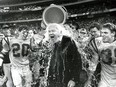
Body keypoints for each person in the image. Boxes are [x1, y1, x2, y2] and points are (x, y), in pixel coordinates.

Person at [84, 23, 116, 87]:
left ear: (113, 33)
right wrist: (89, 80)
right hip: (105, 79)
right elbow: (93, 63)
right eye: (102, 32)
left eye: (105, 33)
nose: (102, 35)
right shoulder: (97, 42)